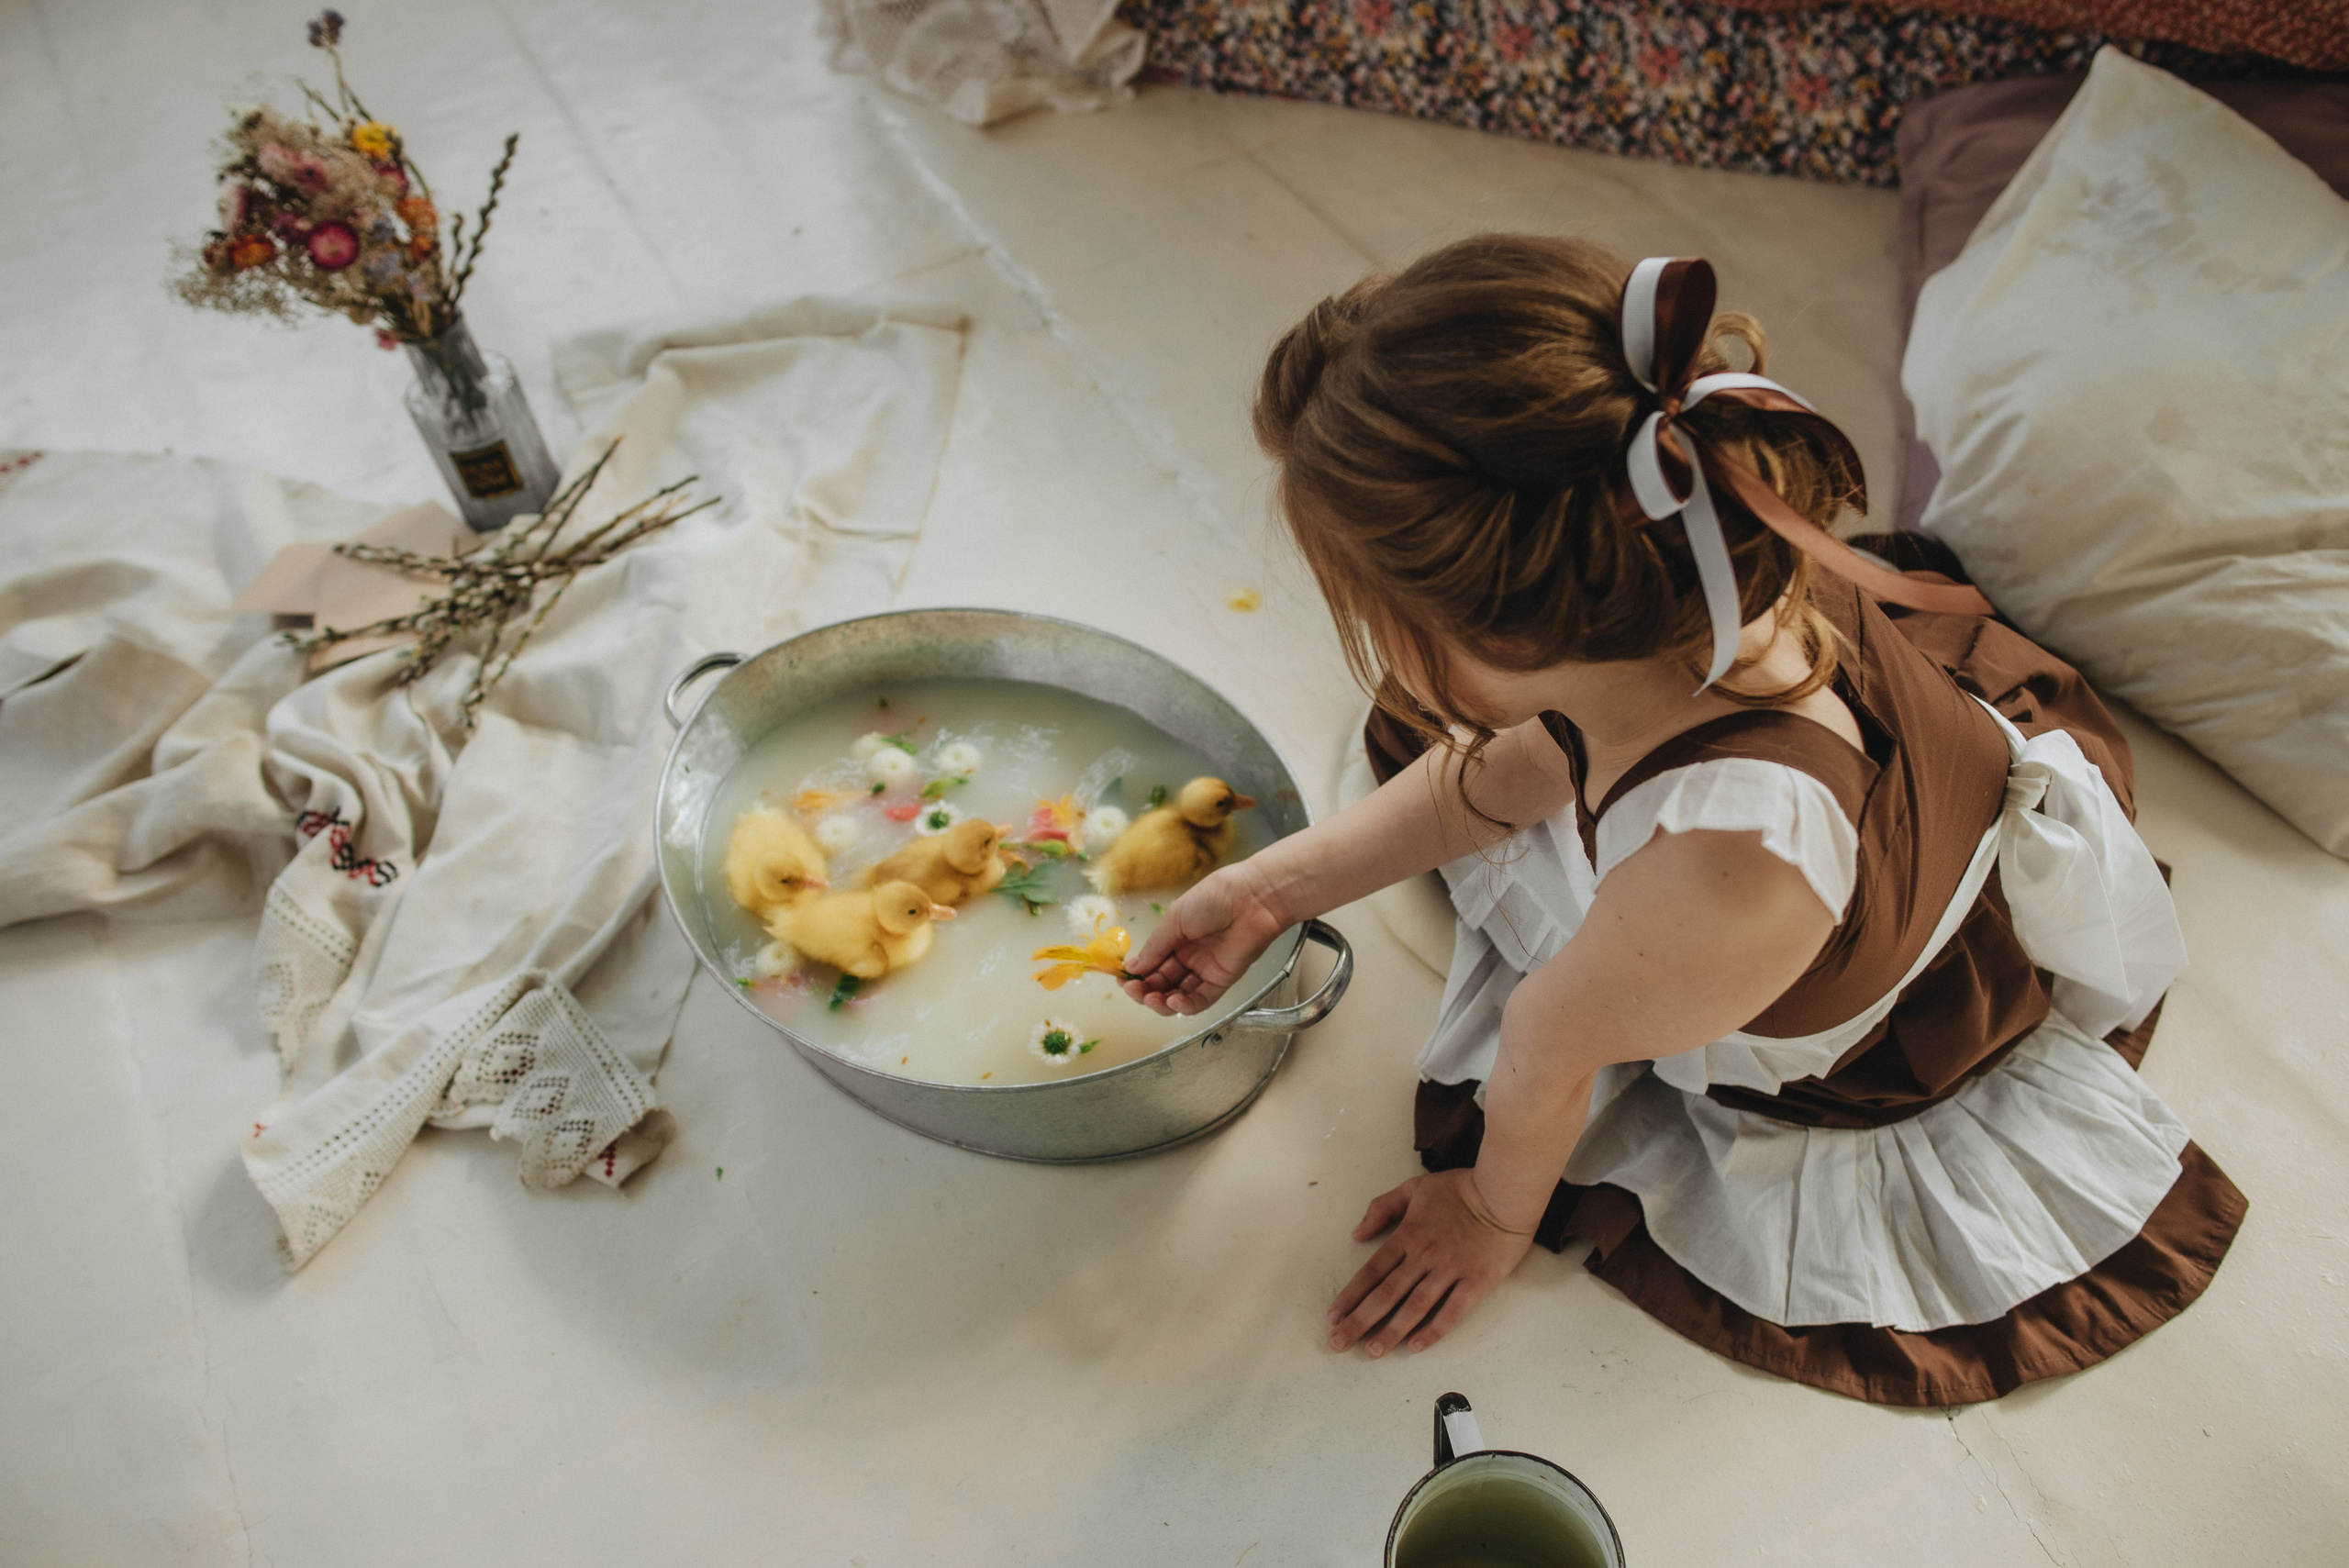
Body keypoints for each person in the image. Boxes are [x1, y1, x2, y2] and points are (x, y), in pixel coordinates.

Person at [1121, 236, 2244, 1407]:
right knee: (1459, 760)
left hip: (1857, 981)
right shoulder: (1683, 571)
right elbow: (1515, 768)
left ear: (1503, 636)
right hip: (1830, 799)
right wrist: (1270, 890)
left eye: (1379, 614)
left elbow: (1550, 1048)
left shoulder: (1722, 869)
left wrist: (1491, 1211)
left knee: (1543, 981)